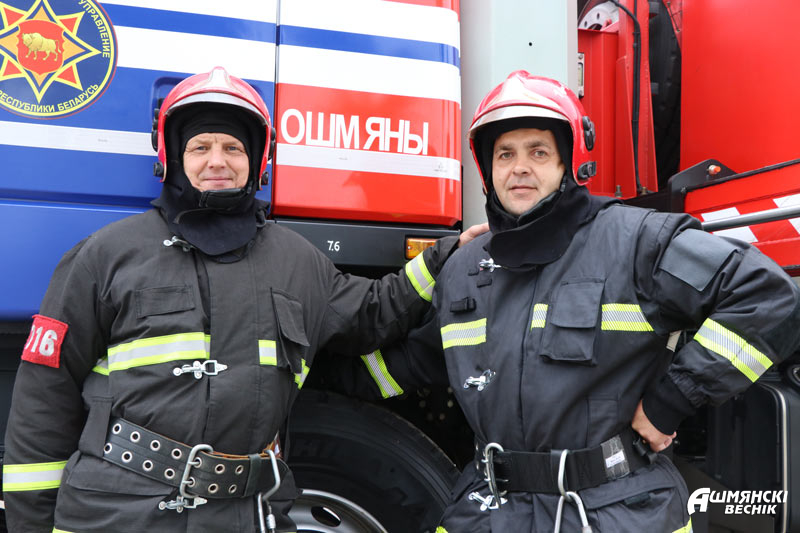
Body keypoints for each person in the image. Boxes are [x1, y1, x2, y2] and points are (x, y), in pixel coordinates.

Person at [1, 66, 478, 533]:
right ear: (172, 156)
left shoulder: (296, 259)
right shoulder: (106, 254)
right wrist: (32, 523)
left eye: (233, 148)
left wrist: (446, 256)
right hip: (116, 513)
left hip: (244, 512)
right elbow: (45, 394)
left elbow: (372, 312)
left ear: (257, 160)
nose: (217, 161)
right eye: (200, 147)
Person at [327, 70, 800, 532]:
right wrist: (308, 372)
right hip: (490, 512)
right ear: (487, 169)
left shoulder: (636, 242)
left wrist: (672, 400)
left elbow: (768, 297)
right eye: (505, 154)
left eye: (538, 151)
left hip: (619, 510)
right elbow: (415, 361)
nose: (519, 167)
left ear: (568, 163)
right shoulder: (465, 268)